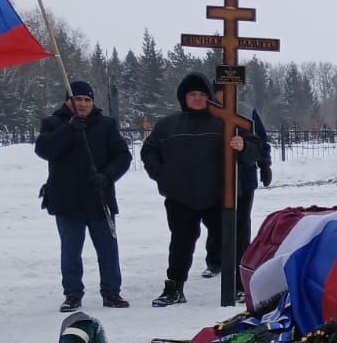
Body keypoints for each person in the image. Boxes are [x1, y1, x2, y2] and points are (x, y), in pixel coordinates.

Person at [141, 71, 251, 307]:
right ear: (184, 97)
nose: (198, 99)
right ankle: (174, 287)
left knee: (231, 243)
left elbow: (252, 152)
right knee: (180, 244)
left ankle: (240, 287)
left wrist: (242, 147)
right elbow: (149, 151)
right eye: (193, 94)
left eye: (202, 94)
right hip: (181, 198)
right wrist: (162, 176)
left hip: (219, 196)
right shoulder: (167, 125)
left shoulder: (226, 123)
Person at [34, 80, 132, 310]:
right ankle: (72, 294)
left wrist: (107, 176)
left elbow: (122, 156)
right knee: (70, 251)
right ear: (68, 101)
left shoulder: (106, 125)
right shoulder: (53, 123)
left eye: (87, 100)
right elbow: (44, 150)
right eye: (77, 99)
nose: (83, 104)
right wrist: (68, 129)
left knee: (108, 249)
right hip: (66, 201)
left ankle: (111, 292)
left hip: (99, 198)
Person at [203, 108, 273, 292]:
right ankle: (215, 260)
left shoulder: (245, 110)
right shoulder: (209, 109)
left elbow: (260, 138)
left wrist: (264, 164)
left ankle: (242, 266)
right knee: (215, 222)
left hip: (244, 177)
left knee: (241, 224)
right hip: (215, 178)